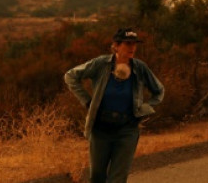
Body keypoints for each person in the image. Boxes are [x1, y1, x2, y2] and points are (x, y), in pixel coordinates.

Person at [64, 27, 165, 183]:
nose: (132, 48)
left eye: (134, 44)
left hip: (127, 129)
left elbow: (159, 91)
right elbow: (70, 76)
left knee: (117, 178)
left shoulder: (140, 68)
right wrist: (87, 101)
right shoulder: (101, 64)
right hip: (101, 129)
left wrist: (144, 109)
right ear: (116, 46)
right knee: (97, 176)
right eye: (128, 44)